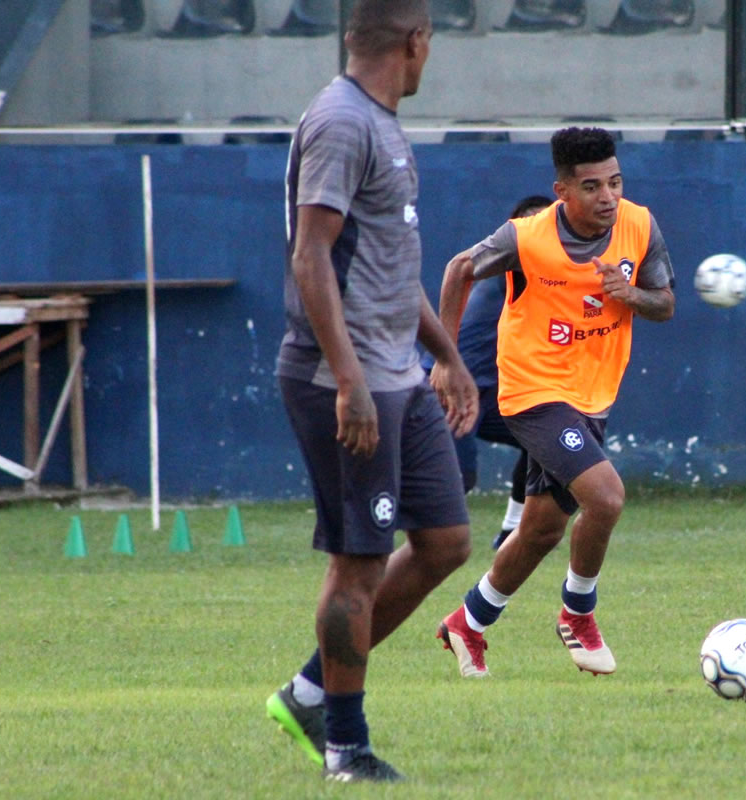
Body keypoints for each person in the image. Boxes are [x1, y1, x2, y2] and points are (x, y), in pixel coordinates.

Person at [264, 0, 478, 783]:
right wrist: (349, 379)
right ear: (416, 42)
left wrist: (446, 355)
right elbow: (310, 256)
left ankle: (309, 692)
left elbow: (388, 265)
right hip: (345, 376)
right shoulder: (341, 122)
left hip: (398, 372)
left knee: (446, 540)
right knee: (359, 561)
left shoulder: (381, 123)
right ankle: (345, 748)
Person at [431, 127, 676, 678]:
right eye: (591, 187)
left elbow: (664, 304)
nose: (608, 197)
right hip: (533, 391)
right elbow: (458, 269)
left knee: (541, 529)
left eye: (615, 182)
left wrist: (631, 295)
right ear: (562, 191)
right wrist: (446, 358)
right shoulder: (526, 238)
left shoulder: (639, 225)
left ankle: (468, 622)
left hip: (593, 396)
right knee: (606, 498)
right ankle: (578, 612)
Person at [420, 195, 554, 551]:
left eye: (548, 223)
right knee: (459, 479)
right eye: (530, 223)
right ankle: (392, 527)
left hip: (487, 396)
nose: (540, 232)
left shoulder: (552, 278)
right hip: (446, 388)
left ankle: (511, 530)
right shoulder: (514, 269)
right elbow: (460, 269)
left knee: (547, 437)